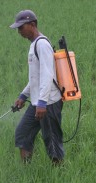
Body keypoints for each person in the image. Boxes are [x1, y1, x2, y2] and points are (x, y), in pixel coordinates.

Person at [10, 10, 65, 165]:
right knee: (23, 134)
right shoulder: (34, 45)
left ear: (32, 25)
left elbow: (47, 75)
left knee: (52, 141)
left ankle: (59, 175)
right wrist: (23, 96)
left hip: (48, 103)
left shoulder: (42, 44)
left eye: (21, 27)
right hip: (37, 103)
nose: (19, 31)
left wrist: (42, 102)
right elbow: (36, 78)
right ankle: (27, 172)